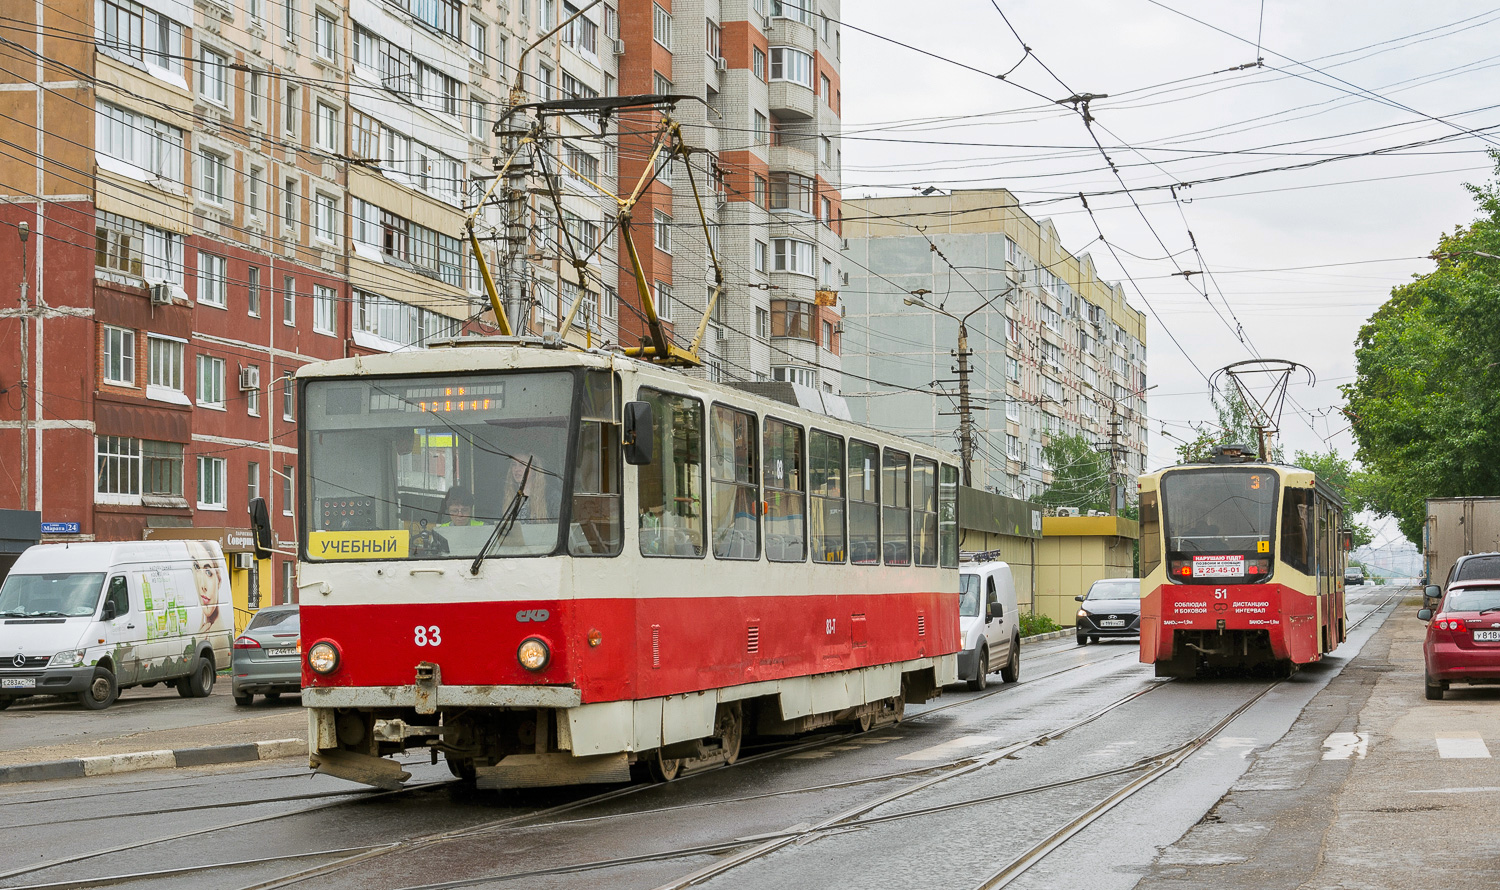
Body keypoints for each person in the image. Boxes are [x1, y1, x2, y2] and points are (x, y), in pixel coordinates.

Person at [185, 540, 224, 633]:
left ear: (218, 580)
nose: (203, 586)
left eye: (208, 572)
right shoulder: (206, 629)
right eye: (196, 567)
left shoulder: (218, 638)